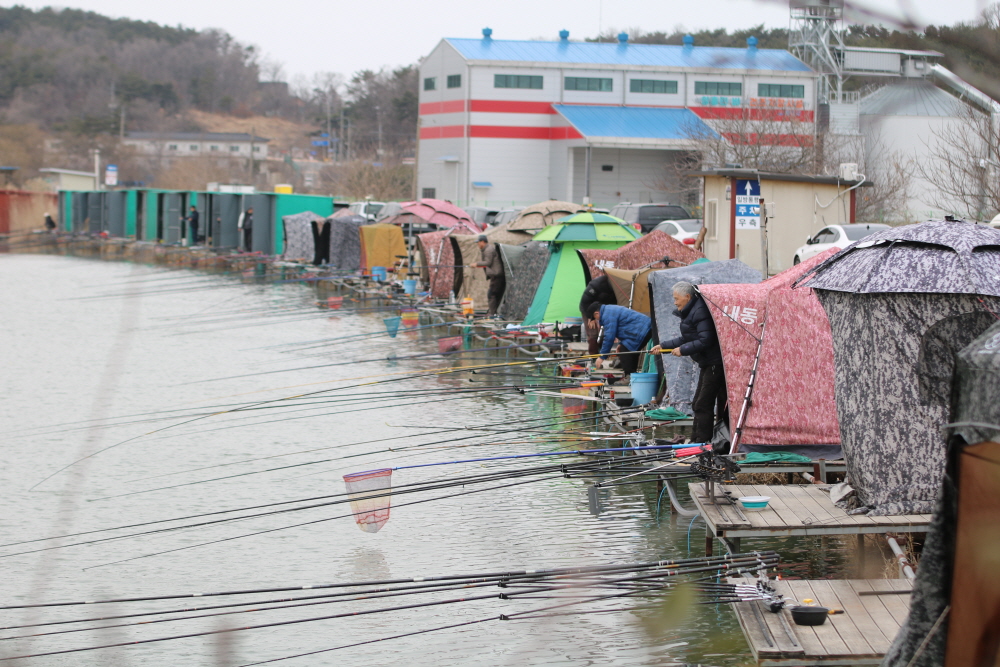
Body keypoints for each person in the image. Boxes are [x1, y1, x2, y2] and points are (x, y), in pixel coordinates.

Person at [651, 281, 726, 443]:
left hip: (715, 363)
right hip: (707, 363)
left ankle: (702, 442)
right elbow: (687, 338)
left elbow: (706, 339)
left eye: (676, 298)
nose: (674, 302)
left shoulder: (699, 310)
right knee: (697, 404)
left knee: (702, 404)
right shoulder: (692, 311)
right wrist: (663, 345)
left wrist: (683, 350)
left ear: (687, 296)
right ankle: (695, 440)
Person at [590, 303, 652, 378]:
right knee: (628, 350)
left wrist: (602, 356)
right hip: (643, 327)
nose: (596, 319)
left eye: (595, 317)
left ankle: (628, 376)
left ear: (596, 313)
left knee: (625, 350)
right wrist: (621, 343)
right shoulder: (609, 310)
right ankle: (631, 376)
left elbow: (609, 337)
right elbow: (624, 327)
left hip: (642, 329)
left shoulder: (607, 315)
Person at [579, 275, 617, 354]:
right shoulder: (596, 285)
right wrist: (590, 317)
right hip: (587, 308)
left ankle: (602, 352)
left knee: (607, 332)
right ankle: (593, 356)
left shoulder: (617, 287)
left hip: (604, 308)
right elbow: (585, 302)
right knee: (593, 333)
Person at [473, 235, 504, 317]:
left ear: (483, 242)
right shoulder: (486, 249)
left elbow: (488, 262)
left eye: (478, 242)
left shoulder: (488, 250)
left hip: (496, 275)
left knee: (491, 294)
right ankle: (493, 312)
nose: (478, 244)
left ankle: (492, 314)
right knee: (494, 294)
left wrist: (476, 264)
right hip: (495, 275)